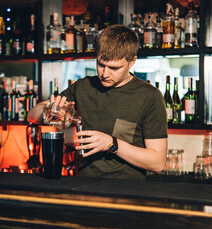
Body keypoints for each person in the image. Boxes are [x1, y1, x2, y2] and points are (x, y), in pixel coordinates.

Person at [27, 25, 167, 180]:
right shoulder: (83, 87)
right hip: (83, 187)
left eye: (114, 68)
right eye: (101, 64)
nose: (105, 74)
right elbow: (31, 116)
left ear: (132, 61)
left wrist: (111, 144)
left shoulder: (149, 96)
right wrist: (51, 110)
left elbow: (157, 163)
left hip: (129, 192)